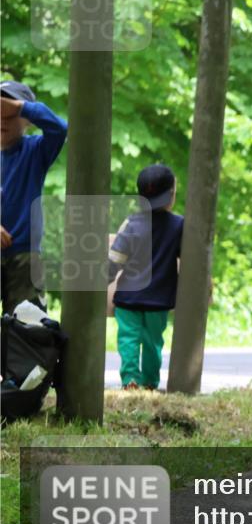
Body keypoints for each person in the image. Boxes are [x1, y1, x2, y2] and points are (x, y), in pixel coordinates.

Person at [107, 164, 184, 391]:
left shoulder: (132, 223)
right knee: (152, 342)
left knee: (128, 339)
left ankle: (130, 379)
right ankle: (150, 382)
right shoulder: (180, 226)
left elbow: (115, 260)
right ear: (171, 195)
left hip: (128, 298)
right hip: (158, 300)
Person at [0, 80, 68, 314]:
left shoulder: (35, 150)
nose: (3, 118)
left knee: (26, 329)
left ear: (27, 120)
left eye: (8, 112)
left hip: (24, 255)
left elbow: (60, 129)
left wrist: (21, 107)